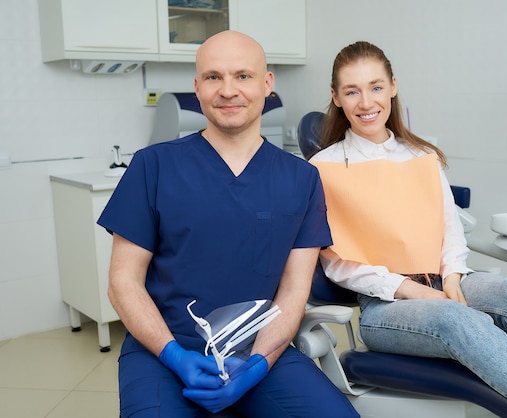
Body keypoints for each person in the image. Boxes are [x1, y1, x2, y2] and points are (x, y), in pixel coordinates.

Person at [309, 40, 507, 418]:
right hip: (384, 307)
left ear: (393, 86)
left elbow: (449, 227)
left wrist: (454, 275)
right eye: (352, 91)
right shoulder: (322, 169)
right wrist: (410, 290)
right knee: (456, 319)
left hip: (445, 280)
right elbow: (336, 262)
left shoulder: (421, 157)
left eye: (376, 87)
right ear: (336, 97)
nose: (366, 102)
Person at [97, 30, 359, 418]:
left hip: (260, 352)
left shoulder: (301, 179)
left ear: (267, 84)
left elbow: (293, 291)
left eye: (243, 76)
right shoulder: (152, 166)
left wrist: (257, 364)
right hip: (162, 349)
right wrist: (174, 356)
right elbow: (123, 282)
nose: (228, 90)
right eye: (214, 77)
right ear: (198, 87)